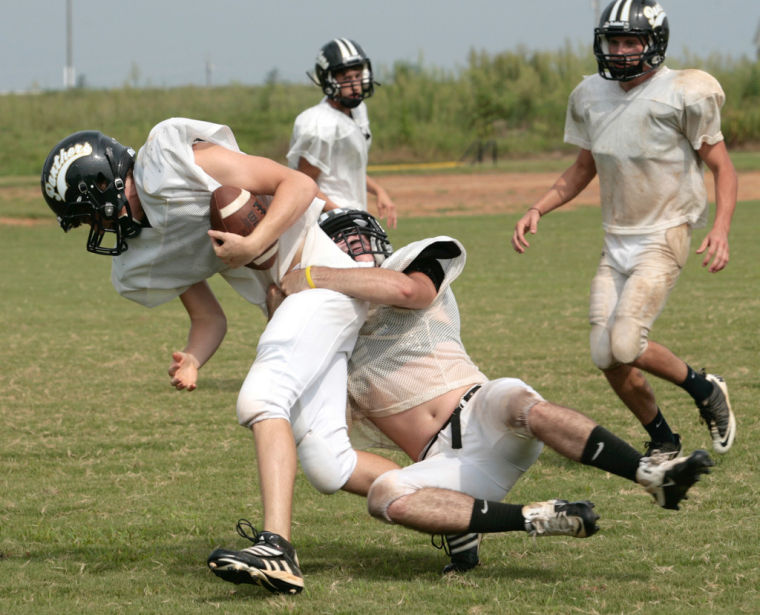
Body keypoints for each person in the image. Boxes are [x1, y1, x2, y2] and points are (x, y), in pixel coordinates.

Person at [40, 118, 401, 595]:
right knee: (327, 463)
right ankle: (451, 507)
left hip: (321, 269)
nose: (94, 229)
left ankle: (277, 548)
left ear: (102, 184)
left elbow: (298, 183)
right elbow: (210, 320)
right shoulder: (139, 261)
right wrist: (192, 358)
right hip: (287, 306)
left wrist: (253, 241)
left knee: (261, 397)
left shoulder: (170, 160)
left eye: (88, 215)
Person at [278, 208, 714, 573]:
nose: (353, 251)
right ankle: (532, 518)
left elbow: (408, 290)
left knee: (514, 399)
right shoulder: (331, 325)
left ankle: (650, 475)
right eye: (342, 245)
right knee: (384, 496)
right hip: (446, 463)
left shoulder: (417, 259)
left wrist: (314, 274)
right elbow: (330, 450)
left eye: (357, 241)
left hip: (481, 412)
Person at [511, 0, 737, 459]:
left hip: (665, 232)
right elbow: (582, 168)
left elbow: (723, 167)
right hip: (617, 239)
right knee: (605, 355)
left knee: (626, 341)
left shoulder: (685, 91)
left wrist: (721, 228)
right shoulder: (590, 94)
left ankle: (705, 388)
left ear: (653, 44)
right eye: (612, 41)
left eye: (630, 41)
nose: (619, 50)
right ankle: (663, 440)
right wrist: (540, 207)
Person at [287, 37, 398, 228]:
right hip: (324, 222)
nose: (355, 85)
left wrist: (379, 191)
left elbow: (346, 170)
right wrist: (340, 214)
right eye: (347, 79)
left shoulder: (358, 110)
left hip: (351, 214)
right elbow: (303, 184)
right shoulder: (320, 124)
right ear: (329, 80)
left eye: (357, 76)